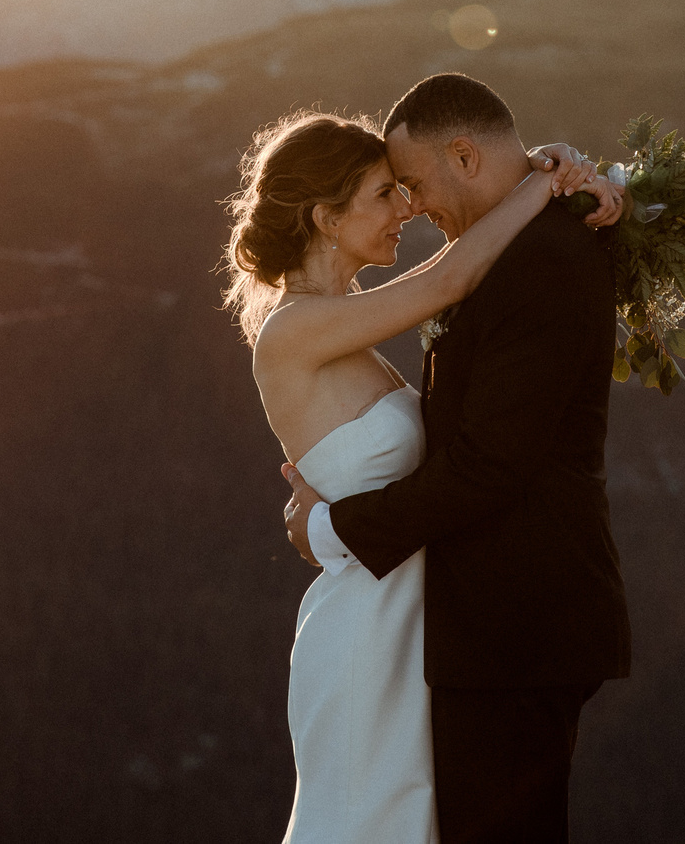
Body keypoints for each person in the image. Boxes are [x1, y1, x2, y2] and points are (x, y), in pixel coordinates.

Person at [224, 99, 623, 844]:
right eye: (385, 193)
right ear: (324, 216)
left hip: (421, 628)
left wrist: (549, 164)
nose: (405, 208)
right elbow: (451, 279)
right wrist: (543, 178)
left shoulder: (346, 323)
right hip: (369, 631)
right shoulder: (292, 330)